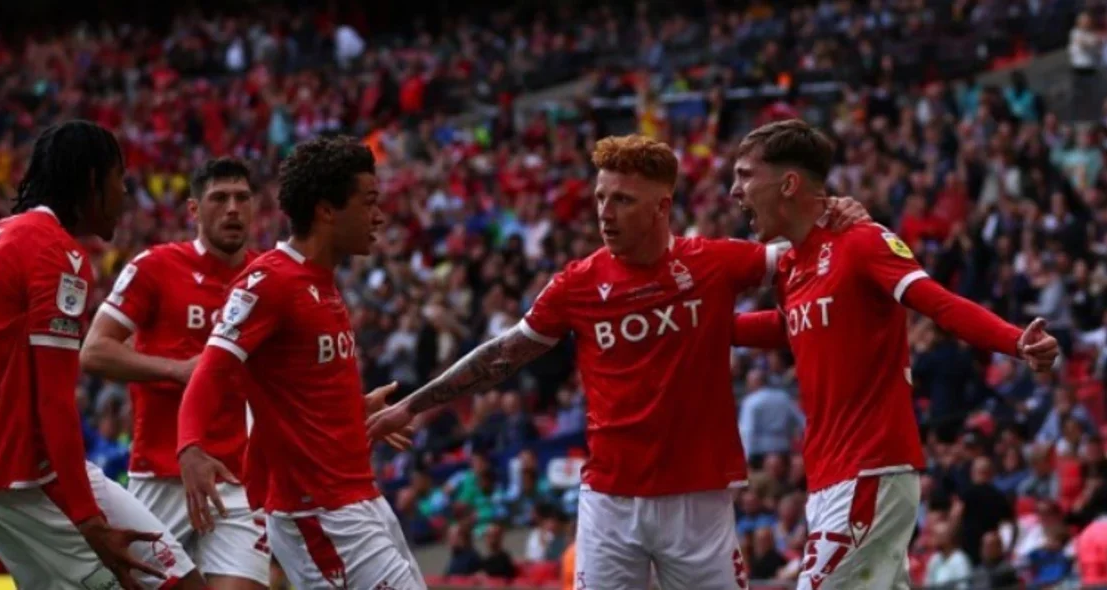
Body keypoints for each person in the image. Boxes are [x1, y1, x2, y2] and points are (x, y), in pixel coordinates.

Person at [367, 134, 868, 590]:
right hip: (609, 502)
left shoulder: (714, 262)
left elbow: (801, 248)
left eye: (623, 200)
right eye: (601, 197)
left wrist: (832, 214)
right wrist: (410, 407)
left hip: (698, 500)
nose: (605, 212)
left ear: (662, 207)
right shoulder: (576, 284)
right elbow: (502, 354)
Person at [729, 119, 1059, 590]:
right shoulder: (790, 266)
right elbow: (792, 327)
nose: (734, 191)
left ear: (788, 183)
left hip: (869, 467)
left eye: (744, 175)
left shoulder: (863, 241)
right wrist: (715, 330)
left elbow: (939, 302)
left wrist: (1016, 341)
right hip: (828, 476)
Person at [0, 120, 204, 590]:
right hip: (32, 475)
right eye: (119, 180)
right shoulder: (55, 254)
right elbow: (54, 402)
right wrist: (87, 518)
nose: (125, 195)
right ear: (92, 181)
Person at [175, 136, 422, 589]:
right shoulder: (269, 281)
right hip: (319, 513)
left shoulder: (322, 281)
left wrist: (356, 413)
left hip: (359, 500)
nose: (379, 216)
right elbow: (211, 369)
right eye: (368, 202)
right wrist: (190, 448)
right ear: (327, 210)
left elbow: (297, 390)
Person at [80, 157, 268, 590]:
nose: (233, 208)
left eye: (242, 198)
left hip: (239, 482)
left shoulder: (267, 278)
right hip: (162, 475)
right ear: (194, 210)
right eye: (219, 199)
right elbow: (94, 351)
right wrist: (179, 370)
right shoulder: (155, 267)